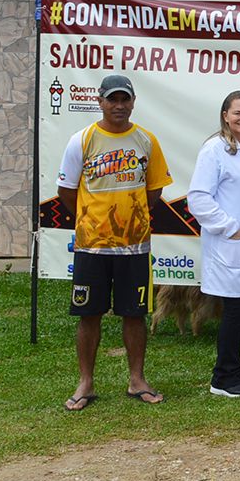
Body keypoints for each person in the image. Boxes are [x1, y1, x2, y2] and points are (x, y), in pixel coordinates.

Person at [59, 74, 173, 410]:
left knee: (134, 314)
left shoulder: (146, 140)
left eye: (125, 99)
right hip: (91, 246)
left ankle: (137, 380)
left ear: (133, 101)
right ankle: (85, 383)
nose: (119, 106)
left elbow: (154, 190)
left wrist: (130, 217)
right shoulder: (82, 140)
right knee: (89, 314)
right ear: (101, 102)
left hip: (134, 246)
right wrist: (93, 218)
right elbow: (66, 191)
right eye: (113, 100)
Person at [189, 91, 240, 398]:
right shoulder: (215, 149)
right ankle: (222, 378)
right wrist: (230, 228)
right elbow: (198, 198)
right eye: (237, 113)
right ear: (225, 115)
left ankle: (236, 368)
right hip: (231, 243)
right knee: (235, 310)